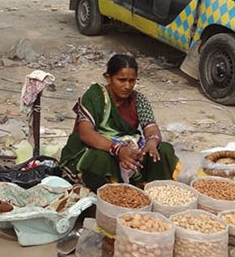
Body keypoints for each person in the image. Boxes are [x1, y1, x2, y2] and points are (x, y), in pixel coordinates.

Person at [60, 54, 182, 192]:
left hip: (128, 147)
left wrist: (152, 142)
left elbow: (151, 128)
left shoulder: (138, 100)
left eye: (132, 81)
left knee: (163, 150)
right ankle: (111, 193)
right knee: (102, 158)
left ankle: (155, 192)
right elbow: (86, 133)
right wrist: (118, 150)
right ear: (108, 77)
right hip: (97, 147)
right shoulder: (95, 96)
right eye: (122, 80)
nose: (127, 86)